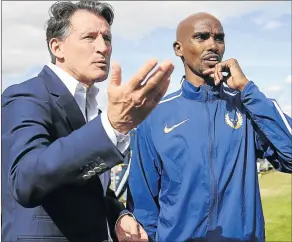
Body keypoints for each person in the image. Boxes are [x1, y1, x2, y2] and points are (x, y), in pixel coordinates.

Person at [1, 1, 174, 242]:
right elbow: (25, 180)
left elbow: (87, 185)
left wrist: (118, 214)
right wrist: (111, 126)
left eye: (107, 38)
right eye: (89, 37)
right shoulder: (27, 96)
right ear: (57, 47)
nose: (102, 47)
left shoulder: (92, 107)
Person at [127, 12, 292, 242]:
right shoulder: (155, 115)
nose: (213, 45)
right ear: (178, 48)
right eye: (201, 37)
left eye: (219, 38)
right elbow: (143, 203)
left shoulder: (244, 106)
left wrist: (246, 89)